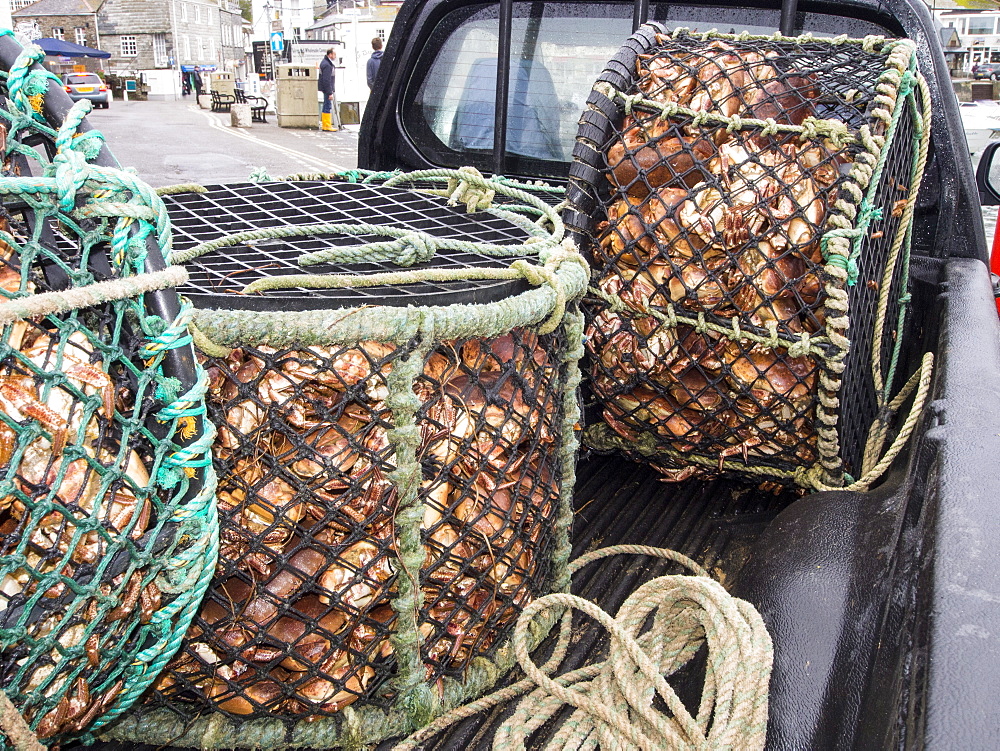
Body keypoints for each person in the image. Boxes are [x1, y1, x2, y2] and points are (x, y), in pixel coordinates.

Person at [318, 48, 341, 132]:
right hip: (327, 89)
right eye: (334, 54)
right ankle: (327, 125)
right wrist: (330, 92)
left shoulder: (324, 63)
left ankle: (325, 124)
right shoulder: (327, 65)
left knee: (326, 105)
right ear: (330, 54)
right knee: (327, 105)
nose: (335, 56)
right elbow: (327, 80)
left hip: (325, 88)